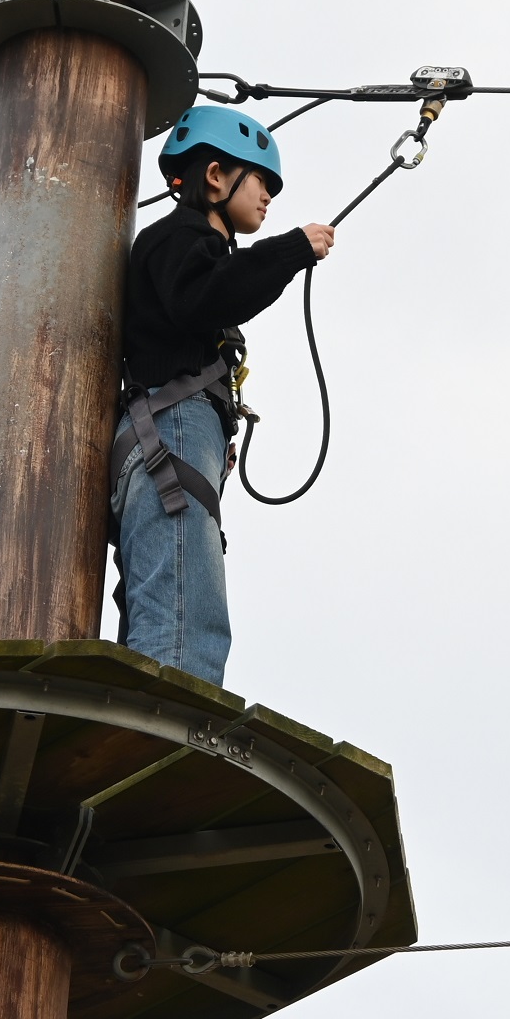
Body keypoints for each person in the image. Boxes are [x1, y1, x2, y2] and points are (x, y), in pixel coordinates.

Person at [113, 107, 335, 685]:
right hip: (171, 426)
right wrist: (290, 251)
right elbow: (204, 298)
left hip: (172, 429)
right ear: (216, 176)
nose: (268, 198)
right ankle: (173, 718)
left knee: (170, 582)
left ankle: (158, 704)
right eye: (262, 181)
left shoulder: (189, 248)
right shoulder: (177, 237)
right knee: (185, 597)